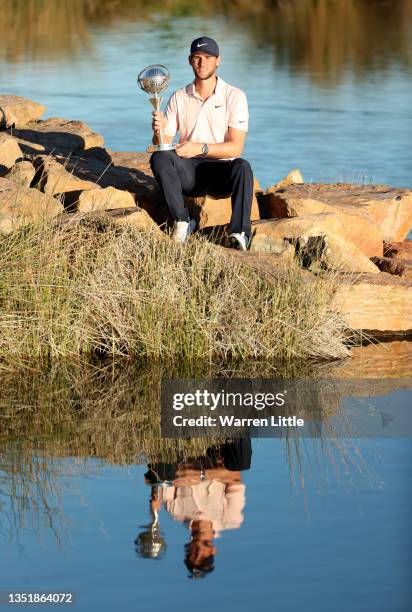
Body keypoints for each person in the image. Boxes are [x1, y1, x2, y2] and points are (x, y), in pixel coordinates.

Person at [150, 36, 254, 251]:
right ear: (190, 61)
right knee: (159, 157)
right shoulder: (179, 96)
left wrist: (200, 147)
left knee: (243, 166)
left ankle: (239, 233)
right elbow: (164, 143)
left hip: (222, 170)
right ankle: (183, 221)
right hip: (189, 171)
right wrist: (158, 130)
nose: (202, 63)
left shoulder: (234, 96)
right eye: (197, 58)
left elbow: (236, 147)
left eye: (208, 57)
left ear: (218, 61)